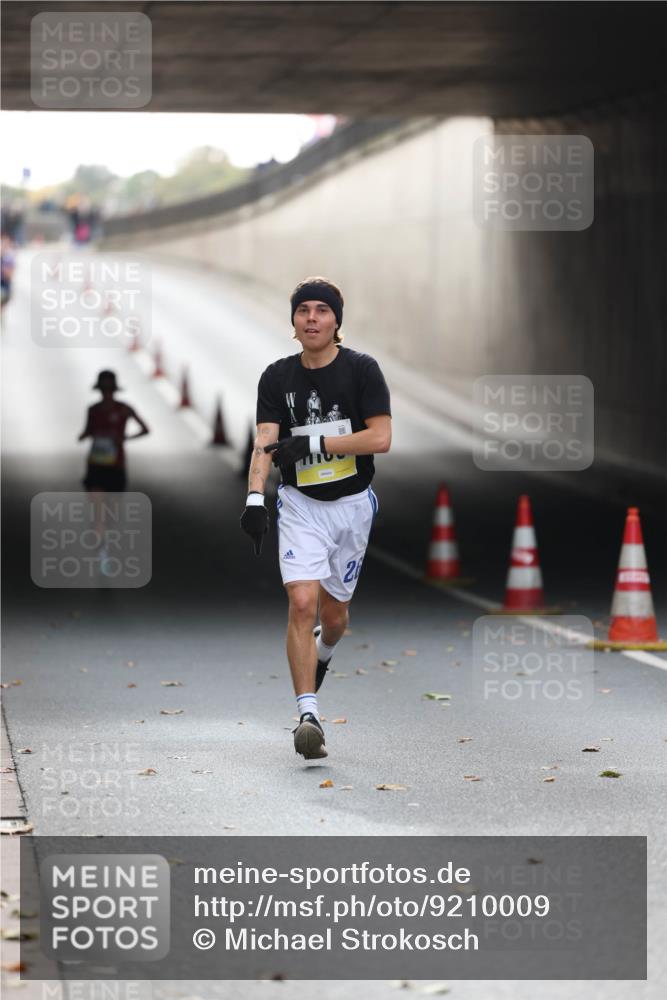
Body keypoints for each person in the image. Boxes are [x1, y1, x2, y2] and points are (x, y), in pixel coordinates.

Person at [240, 277, 391, 760]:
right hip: (301, 505)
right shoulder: (276, 377)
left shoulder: (363, 370)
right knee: (302, 602)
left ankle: (324, 654)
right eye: (303, 310)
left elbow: (380, 438)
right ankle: (309, 715)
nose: (311, 318)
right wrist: (255, 500)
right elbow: (265, 439)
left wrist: (316, 442)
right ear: (293, 320)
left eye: (321, 311)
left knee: (334, 616)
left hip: (351, 506)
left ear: (336, 321)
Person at [78, 370, 149, 570]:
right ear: (99, 390)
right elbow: (88, 430)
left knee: (112, 513)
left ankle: (104, 538)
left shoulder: (124, 410)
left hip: (116, 466)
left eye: (109, 389)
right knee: (99, 511)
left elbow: (145, 429)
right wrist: (84, 435)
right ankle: (102, 550)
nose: (107, 393)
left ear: (114, 390)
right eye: (104, 390)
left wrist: (125, 438)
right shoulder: (93, 410)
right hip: (96, 466)